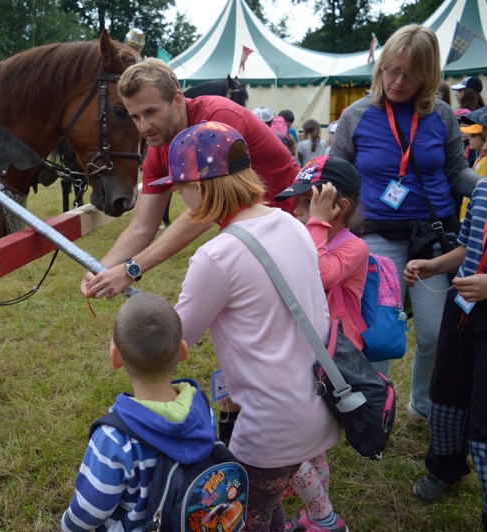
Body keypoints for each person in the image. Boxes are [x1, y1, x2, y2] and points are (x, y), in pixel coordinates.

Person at [158, 121, 338, 530]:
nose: (180, 197)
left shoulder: (217, 255)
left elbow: (173, 343)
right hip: (316, 408)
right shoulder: (292, 224)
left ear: (201, 188)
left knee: (245, 519)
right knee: (269, 506)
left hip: (269, 429)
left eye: (179, 187)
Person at [330, 24, 479, 421]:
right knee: (379, 332)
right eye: (390, 70)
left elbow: (457, 173)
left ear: (428, 77)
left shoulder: (442, 116)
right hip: (376, 234)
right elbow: (335, 177)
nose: (396, 81)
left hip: (432, 236)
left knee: (432, 334)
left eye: (409, 74)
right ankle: (378, 407)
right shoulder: (355, 115)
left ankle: (421, 403)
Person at [81, 58, 299, 300]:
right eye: (135, 117)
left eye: (150, 112)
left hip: (299, 223)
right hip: (254, 236)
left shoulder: (217, 118)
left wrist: (131, 268)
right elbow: (142, 227)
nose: (143, 127)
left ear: (176, 100)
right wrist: (100, 268)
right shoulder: (158, 147)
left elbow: (208, 209)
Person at [404, 85, 487, 530]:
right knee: (446, 396)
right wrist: (434, 265)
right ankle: (444, 467)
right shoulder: (486, 190)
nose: (484, 146)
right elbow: (468, 247)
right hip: (463, 309)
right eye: (482, 136)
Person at [61, 292, 215, 531]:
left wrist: (68, 525)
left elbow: (89, 511)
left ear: (115, 359)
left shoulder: (114, 439)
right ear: (183, 351)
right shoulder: (203, 410)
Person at [274, 155, 367, 532]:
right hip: (307, 353)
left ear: (337, 207)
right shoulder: (310, 235)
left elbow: (317, 274)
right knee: (311, 445)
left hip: (330, 360)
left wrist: (315, 224)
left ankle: (324, 519)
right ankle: (313, 516)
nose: (294, 210)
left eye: (304, 203)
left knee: (287, 444)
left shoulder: (353, 247)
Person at [458, 124, 487, 220]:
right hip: (468, 211)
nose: (469, 138)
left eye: (473, 135)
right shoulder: (480, 158)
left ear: (483, 137)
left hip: (475, 213)